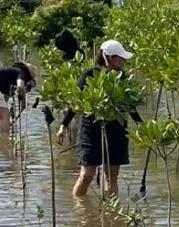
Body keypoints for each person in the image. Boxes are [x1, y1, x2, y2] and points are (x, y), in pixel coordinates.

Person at [56, 39, 142, 197]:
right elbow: (76, 102)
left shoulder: (122, 77)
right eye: (120, 58)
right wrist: (63, 125)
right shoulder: (89, 75)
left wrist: (141, 126)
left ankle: (110, 216)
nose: (123, 61)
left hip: (116, 131)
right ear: (109, 57)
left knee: (111, 177)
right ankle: (80, 211)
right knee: (86, 175)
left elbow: (130, 105)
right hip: (91, 130)